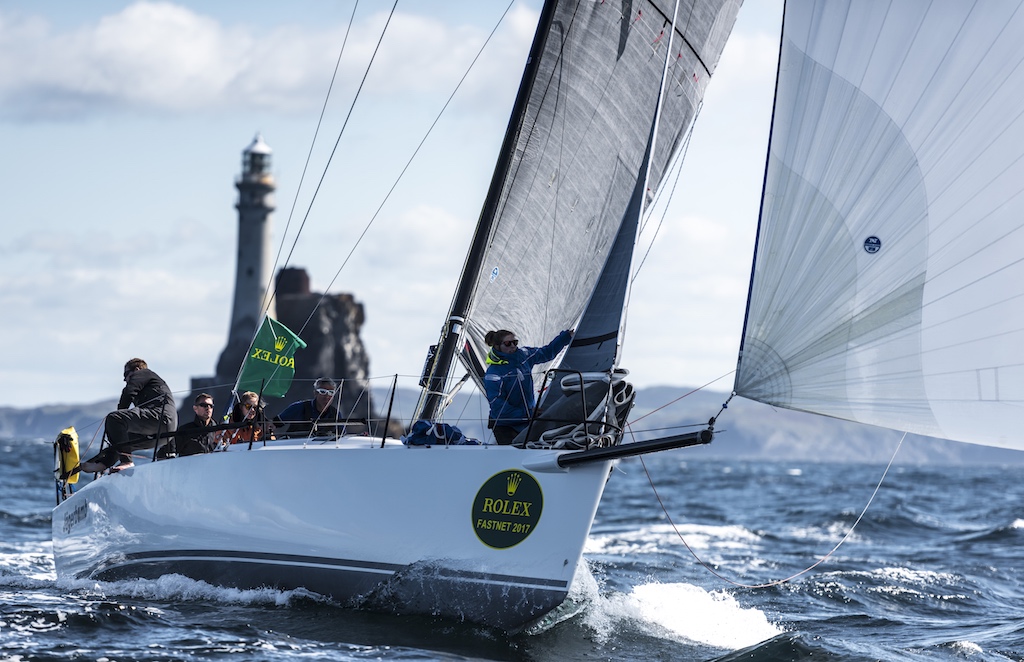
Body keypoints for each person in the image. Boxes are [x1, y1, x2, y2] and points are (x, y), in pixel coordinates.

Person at [81, 358, 178, 473]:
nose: (124, 379)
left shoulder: (144, 373)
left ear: (137, 370)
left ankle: (127, 462)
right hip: (166, 434)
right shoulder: (149, 386)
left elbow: (129, 392)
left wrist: (118, 418)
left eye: (126, 374)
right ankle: (103, 463)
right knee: (123, 439)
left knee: (114, 418)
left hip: (160, 420)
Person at [483, 328, 573, 445]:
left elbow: (547, 352)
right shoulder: (493, 374)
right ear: (496, 346)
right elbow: (499, 408)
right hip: (506, 426)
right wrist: (528, 413)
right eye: (507, 343)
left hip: (527, 419)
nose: (512, 346)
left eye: (515, 342)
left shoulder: (523, 355)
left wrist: (566, 336)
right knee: (514, 461)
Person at [274, 378, 341, 436]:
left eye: (331, 392)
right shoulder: (298, 408)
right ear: (315, 393)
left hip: (324, 448)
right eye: (322, 392)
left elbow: (342, 435)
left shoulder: (335, 414)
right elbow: (275, 423)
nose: (327, 396)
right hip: (296, 447)